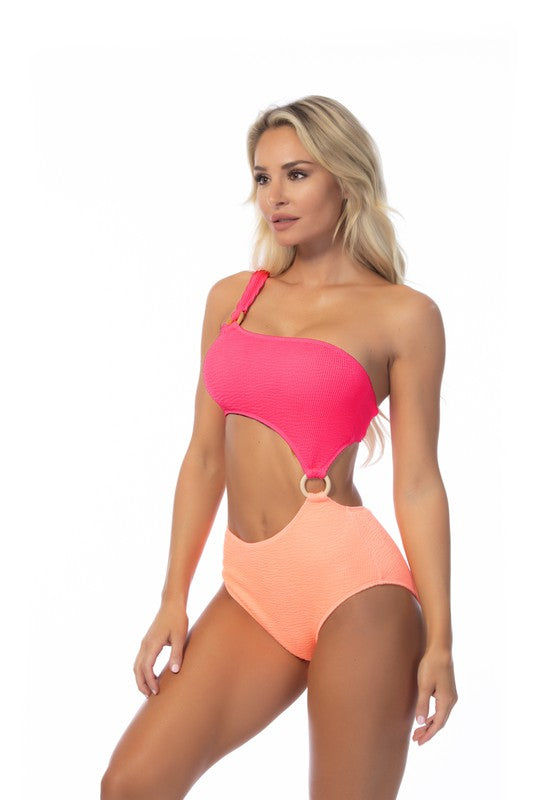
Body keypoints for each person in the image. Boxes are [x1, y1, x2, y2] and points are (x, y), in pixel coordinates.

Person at [100, 95, 458, 800]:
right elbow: (205, 457)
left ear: (344, 180)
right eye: (262, 178)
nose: (274, 196)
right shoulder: (233, 299)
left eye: (296, 174)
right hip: (252, 588)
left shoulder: (404, 315)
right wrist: (173, 597)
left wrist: (441, 640)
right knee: (131, 784)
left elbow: (419, 482)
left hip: (358, 593)